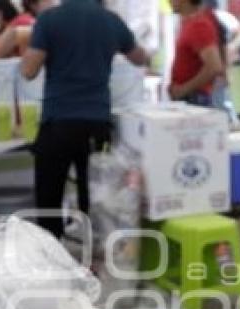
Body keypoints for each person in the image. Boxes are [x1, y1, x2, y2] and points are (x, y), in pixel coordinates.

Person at [20, 0, 148, 239]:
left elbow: (29, 71)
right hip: (97, 123)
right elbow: (139, 58)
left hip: (58, 122)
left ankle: (51, 255)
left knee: (50, 196)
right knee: (96, 194)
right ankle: (96, 255)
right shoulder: (111, 21)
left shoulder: (49, 20)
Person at [168, 0, 224, 106]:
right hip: (189, 98)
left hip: (195, 98)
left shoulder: (199, 25)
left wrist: (184, 89)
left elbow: (214, 67)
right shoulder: (188, 23)